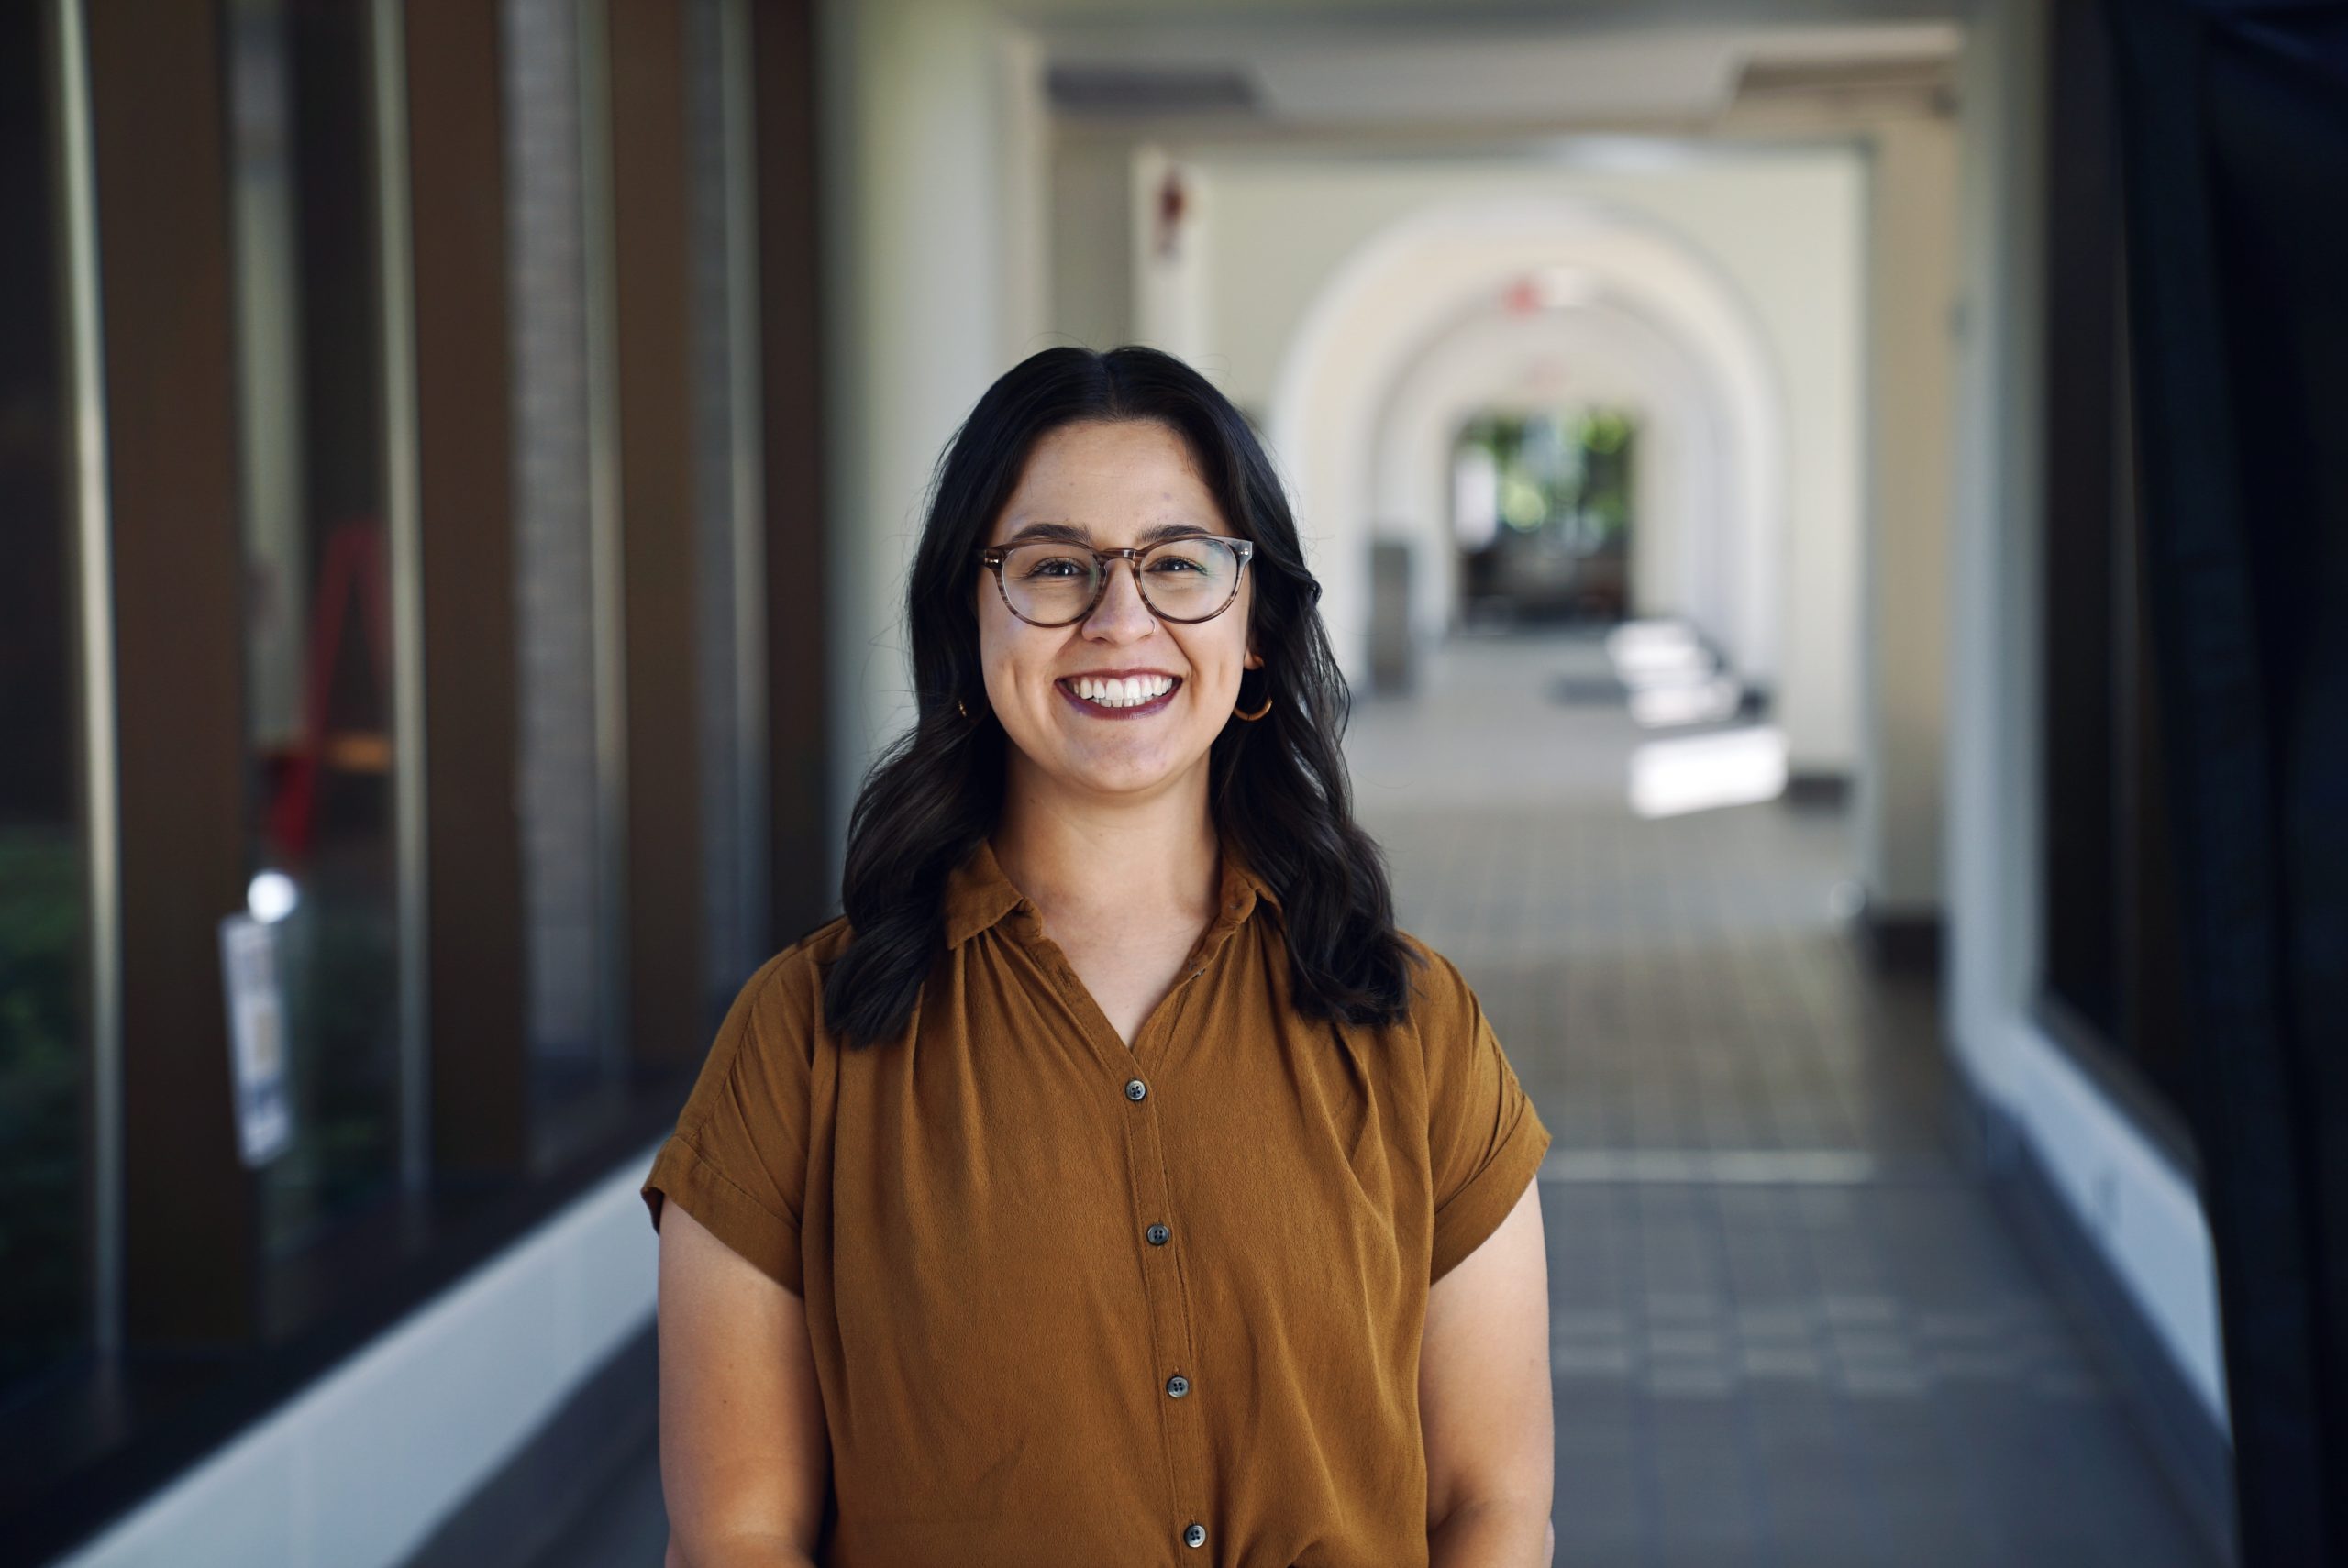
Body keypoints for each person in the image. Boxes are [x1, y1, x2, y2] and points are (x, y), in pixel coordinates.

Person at [642, 345, 1555, 1567]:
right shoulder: (801, 1036)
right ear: (968, 625)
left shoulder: (1415, 1025)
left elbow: (1491, 1505)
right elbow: (741, 1534)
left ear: (1259, 629)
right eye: (1055, 566)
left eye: (1179, 564)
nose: (1121, 619)